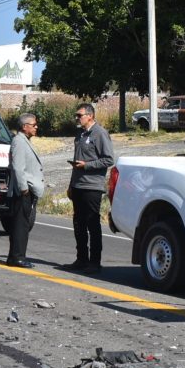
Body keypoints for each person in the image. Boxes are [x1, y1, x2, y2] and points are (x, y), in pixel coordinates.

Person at [63, 103, 115, 273]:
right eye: (76, 115)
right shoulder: (79, 134)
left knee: (92, 223)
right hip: (78, 185)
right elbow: (76, 160)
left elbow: (108, 160)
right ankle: (81, 259)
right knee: (79, 223)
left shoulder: (99, 133)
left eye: (80, 115)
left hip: (92, 185)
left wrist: (87, 165)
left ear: (90, 116)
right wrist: (71, 185)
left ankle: (94, 262)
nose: (77, 118)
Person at [6, 113, 44, 268]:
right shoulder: (19, 142)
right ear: (24, 126)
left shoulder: (24, 141)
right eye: (33, 125)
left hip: (26, 190)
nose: (36, 127)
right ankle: (17, 257)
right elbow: (18, 168)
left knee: (22, 224)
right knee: (21, 224)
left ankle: (14, 256)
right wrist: (24, 189)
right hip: (23, 191)